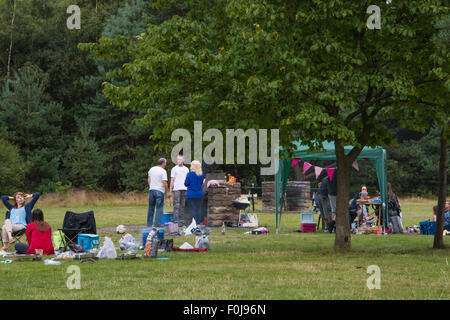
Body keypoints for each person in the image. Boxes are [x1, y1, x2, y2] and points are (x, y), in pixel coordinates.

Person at [147, 158, 169, 227]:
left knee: (151, 207)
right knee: (159, 208)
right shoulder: (163, 171)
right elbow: (164, 182)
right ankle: (157, 223)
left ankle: (149, 224)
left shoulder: (152, 169)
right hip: (159, 191)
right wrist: (167, 191)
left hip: (151, 190)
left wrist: (151, 186)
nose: (166, 164)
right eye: (165, 163)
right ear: (163, 163)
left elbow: (149, 179)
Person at [170, 155, 189, 226]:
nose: (179, 161)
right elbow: (172, 180)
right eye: (178, 159)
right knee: (176, 205)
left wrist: (187, 189)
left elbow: (188, 180)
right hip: (176, 189)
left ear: (183, 160)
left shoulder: (186, 169)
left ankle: (182, 221)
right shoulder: (174, 169)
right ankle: (175, 220)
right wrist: (170, 189)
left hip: (184, 189)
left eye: (180, 159)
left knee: (182, 205)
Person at [185, 160, 205, 225]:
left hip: (191, 194)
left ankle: (193, 223)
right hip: (199, 194)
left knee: (192, 209)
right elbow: (201, 183)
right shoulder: (201, 175)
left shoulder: (189, 174)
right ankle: (198, 223)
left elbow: (186, 183)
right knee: (199, 209)